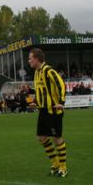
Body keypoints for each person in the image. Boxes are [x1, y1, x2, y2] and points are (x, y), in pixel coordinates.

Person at [28, 48, 69, 177]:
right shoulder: (36, 72)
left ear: (37, 59)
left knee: (57, 138)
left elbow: (61, 85)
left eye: (30, 58)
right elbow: (39, 89)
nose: (29, 61)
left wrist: (61, 102)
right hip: (43, 110)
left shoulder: (48, 70)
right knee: (41, 137)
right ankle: (55, 163)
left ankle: (63, 168)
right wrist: (35, 101)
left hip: (54, 110)